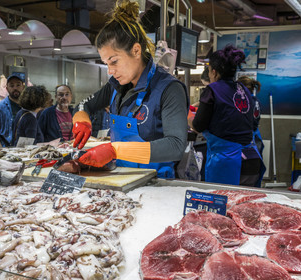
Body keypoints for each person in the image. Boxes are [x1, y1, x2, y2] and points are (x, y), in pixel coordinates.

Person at [71, 0, 188, 178]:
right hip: (119, 177)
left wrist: (114, 150)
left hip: (156, 183)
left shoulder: (169, 88)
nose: (110, 71)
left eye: (114, 61)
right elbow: (82, 105)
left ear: (135, 50)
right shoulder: (115, 87)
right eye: (106, 63)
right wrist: (82, 121)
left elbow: (176, 146)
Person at [190, 45, 264, 187]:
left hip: (226, 162)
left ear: (214, 72)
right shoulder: (244, 90)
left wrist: (189, 118)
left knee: (222, 204)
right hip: (251, 159)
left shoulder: (213, 90)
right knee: (244, 205)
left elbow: (198, 126)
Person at [0, 73, 24, 148]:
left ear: (23, 87)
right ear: (7, 88)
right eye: (11, 85)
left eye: (18, 85)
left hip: (25, 151)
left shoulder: (27, 107)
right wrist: (2, 151)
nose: (15, 88)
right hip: (7, 150)